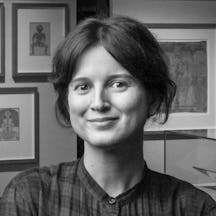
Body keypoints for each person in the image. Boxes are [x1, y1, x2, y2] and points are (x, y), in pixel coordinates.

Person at [0, 16, 216, 216]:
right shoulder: (29, 197)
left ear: (153, 99)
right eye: (83, 86)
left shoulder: (194, 208)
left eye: (118, 84)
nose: (98, 103)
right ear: (67, 101)